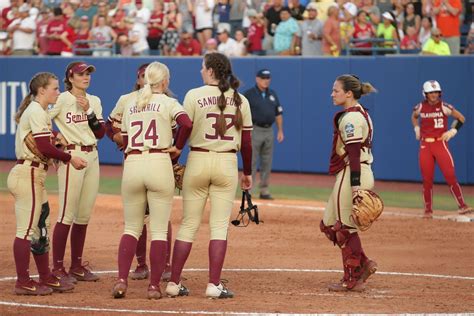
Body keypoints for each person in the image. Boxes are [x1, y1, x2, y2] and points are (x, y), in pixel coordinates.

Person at [165, 52, 253, 299]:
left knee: (188, 225)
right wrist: (247, 172)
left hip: (198, 160)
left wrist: (176, 155)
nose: (201, 71)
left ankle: (173, 283)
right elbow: (246, 143)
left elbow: (186, 127)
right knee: (218, 227)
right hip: (226, 162)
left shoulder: (194, 94)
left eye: (203, 67)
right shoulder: (241, 99)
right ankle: (214, 285)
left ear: (212, 71)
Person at [111, 62, 192, 299]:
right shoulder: (168, 102)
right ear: (164, 81)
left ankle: (121, 281)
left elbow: (123, 139)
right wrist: (177, 147)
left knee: (131, 228)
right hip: (159, 162)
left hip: (133, 163)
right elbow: (186, 123)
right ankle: (154, 286)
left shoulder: (131, 104)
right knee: (158, 230)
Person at [8, 72, 87, 295]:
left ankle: (45, 276)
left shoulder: (39, 112)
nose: (58, 92)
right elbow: (43, 146)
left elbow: (46, 142)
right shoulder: (35, 111)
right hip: (27, 174)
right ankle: (23, 281)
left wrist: (56, 139)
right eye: (54, 88)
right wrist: (69, 157)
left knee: (41, 228)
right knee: (26, 231)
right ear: (42, 90)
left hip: (36, 175)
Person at [105, 63, 175, 281]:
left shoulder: (162, 99)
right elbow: (109, 127)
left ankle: (164, 264)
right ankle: (142, 264)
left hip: (139, 163)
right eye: (142, 76)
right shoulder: (128, 99)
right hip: (147, 160)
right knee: (144, 219)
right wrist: (124, 142)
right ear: (138, 79)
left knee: (151, 219)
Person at [320, 74, 378, 292]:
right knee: (329, 224)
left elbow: (353, 154)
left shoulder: (352, 118)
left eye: (336, 90)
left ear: (349, 93)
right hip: (355, 172)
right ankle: (364, 263)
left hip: (354, 173)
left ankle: (351, 278)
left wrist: (355, 188)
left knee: (344, 227)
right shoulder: (359, 112)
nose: (332, 94)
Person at [49, 61, 106, 284]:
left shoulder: (95, 101)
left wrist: (89, 111)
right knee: (66, 213)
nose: (86, 77)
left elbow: (101, 132)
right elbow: (42, 119)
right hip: (73, 157)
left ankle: (76, 265)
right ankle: (57, 267)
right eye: (81, 74)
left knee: (83, 215)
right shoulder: (62, 99)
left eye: (88, 73)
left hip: (93, 154)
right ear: (70, 78)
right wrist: (55, 138)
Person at [411, 80, 473, 219]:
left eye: (436, 92)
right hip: (425, 145)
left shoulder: (444, 106)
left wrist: (453, 131)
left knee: (450, 175)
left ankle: (462, 205)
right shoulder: (420, 107)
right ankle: (428, 210)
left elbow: (461, 118)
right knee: (427, 179)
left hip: (440, 143)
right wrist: (416, 128)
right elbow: (414, 117)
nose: (434, 95)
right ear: (425, 94)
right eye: (431, 92)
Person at [243, 69, 284, 200]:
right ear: (257, 79)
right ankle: (249, 189)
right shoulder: (249, 94)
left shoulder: (272, 94)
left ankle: (264, 190)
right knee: (252, 161)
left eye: (268, 78)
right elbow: (241, 113)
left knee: (267, 161)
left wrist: (280, 130)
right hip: (254, 129)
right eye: (263, 78)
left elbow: (278, 113)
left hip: (269, 130)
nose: (266, 80)